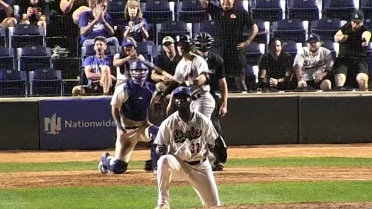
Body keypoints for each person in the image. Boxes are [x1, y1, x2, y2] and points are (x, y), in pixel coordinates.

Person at [153, 86, 226, 209]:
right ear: (174, 101)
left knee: (213, 205)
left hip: (201, 166)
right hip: (179, 164)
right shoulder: (168, 123)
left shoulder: (202, 120)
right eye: (177, 98)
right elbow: (159, 146)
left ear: (190, 99)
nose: (181, 101)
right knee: (164, 160)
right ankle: (163, 204)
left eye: (184, 98)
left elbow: (215, 141)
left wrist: (219, 150)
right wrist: (160, 150)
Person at [98, 61, 159, 174]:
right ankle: (106, 160)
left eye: (142, 70)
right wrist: (120, 128)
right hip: (127, 130)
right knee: (119, 168)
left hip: (143, 126)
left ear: (146, 72)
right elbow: (114, 109)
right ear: (131, 72)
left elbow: (151, 107)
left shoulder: (151, 88)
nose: (139, 73)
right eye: (136, 70)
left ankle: (156, 165)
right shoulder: (124, 88)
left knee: (159, 134)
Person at [199, 0, 258, 92]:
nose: (225, 2)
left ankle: (244, 100)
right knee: (220, 80)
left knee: (240, 82)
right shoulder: (217, 11)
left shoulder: (241, 12)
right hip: (220, 51)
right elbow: (204, 2)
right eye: (223, 0)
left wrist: (247, 42)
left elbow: (255, 28)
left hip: (236, 51)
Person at [154, 34, 215, 120]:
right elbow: (175, 83)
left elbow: (204, 78)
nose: (180, 47)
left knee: (199, 128)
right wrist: (163, 95)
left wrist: (188, 83)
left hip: (202, 99)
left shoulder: (198, 60)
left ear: (189, 45)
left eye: (183, 44)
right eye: (179, 44)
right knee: (192, 129)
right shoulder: (181, 64)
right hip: (190, 101)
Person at [193, 32, 228, 171]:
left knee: (214, 128)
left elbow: (222, 83)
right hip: (193, 97)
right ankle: (196, 158)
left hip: (210, 97)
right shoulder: (189, 60)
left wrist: (225, 103)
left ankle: (216, 159)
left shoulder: (216, 60)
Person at [333, 10, 371, 91]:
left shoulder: (365, 29)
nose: (355, 25)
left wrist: (365, 40)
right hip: (344, 59)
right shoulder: (346, 27)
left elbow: (366, 35)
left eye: (358, 23)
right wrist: (347, 37)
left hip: (359, 60)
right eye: (354, 22)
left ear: (362, 22)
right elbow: (336, 37)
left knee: (363, 80)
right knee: (340, 79)